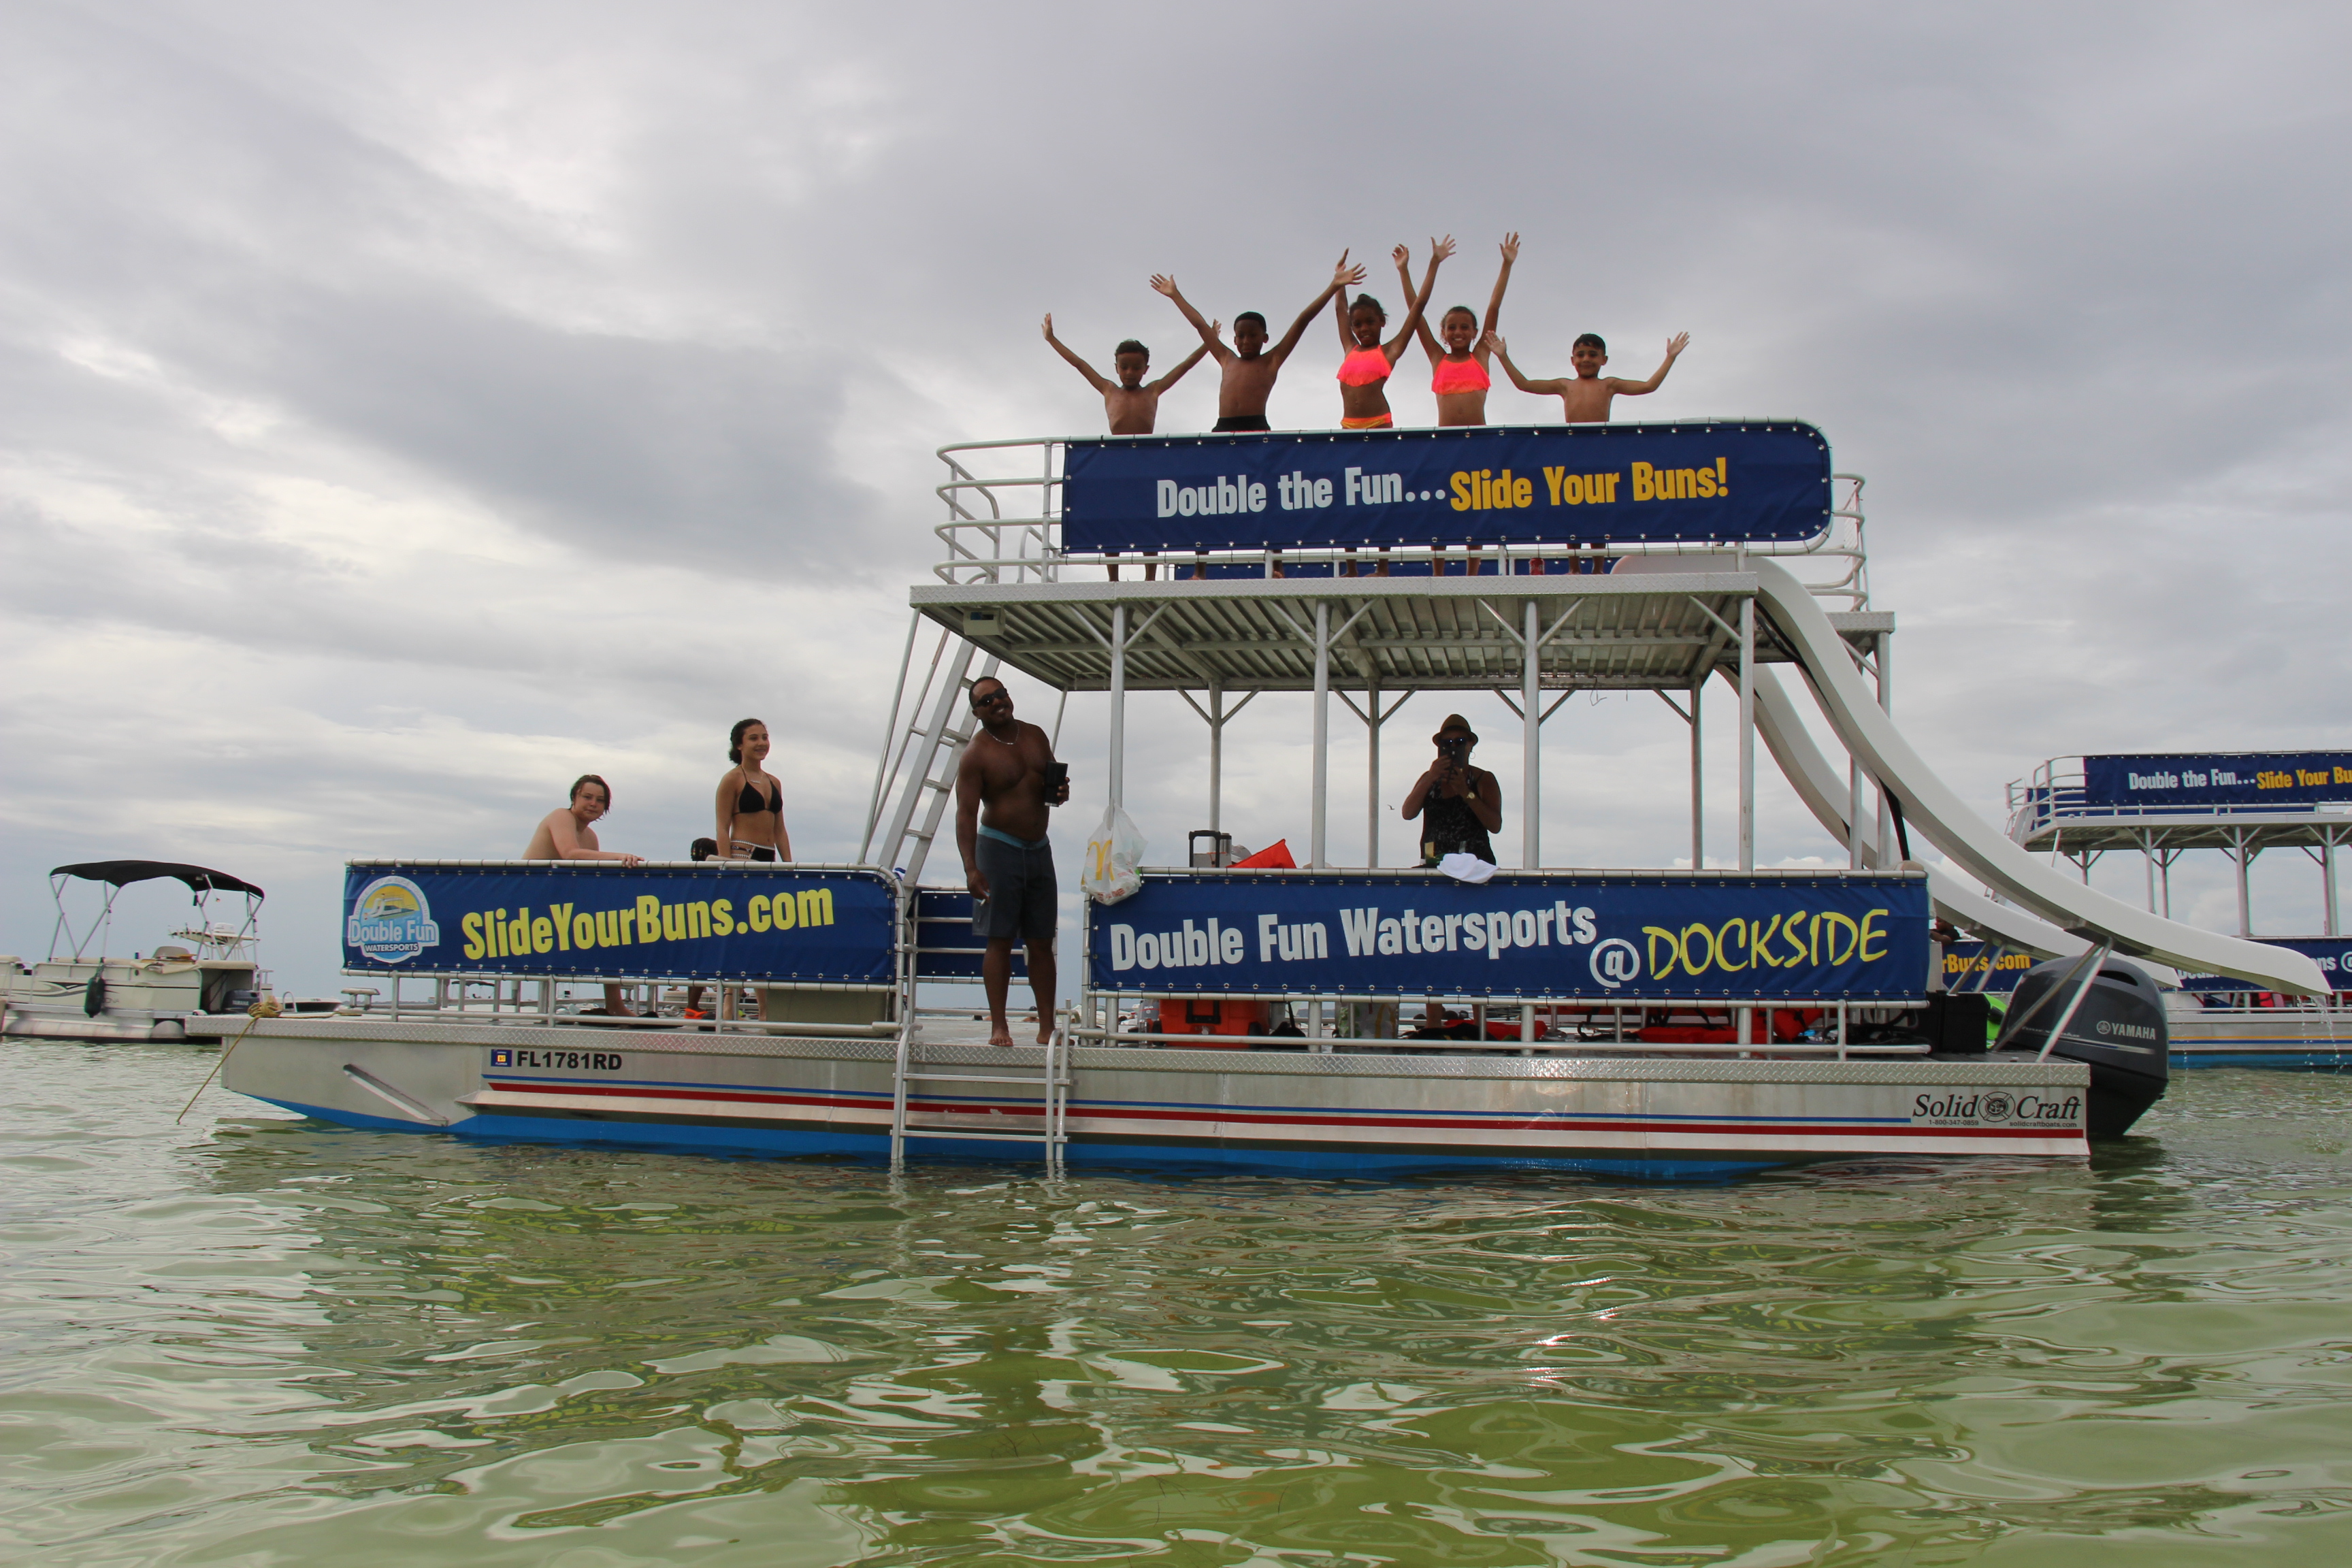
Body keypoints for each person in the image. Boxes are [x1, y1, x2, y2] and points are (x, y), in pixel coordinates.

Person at [1041, 316, 1215, 579]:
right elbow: (1079, 364)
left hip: (1147, 463)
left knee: (1148, 521)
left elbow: (1186, 366)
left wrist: (1209, 340)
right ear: (1116, 368)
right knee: (1112, 522)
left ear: (1146, 369)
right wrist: (1052, 339)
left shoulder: (1153, 390)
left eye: (1136, 367)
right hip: (1116, 464)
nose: (1130, 372)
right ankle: (1113, 577)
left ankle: (1150, 578)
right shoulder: (1109, 390)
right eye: (1125, 367)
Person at [953, 676, 1070, 1047]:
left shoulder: (1035, 735)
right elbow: (965, 814)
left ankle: (1047, 1027)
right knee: (999, 940)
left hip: (1039, 849)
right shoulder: (976, 753)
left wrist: (1062, 792)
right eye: (987, 701)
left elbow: (1052, 785)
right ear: (977, 713)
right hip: (998, 849)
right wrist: (971, 867)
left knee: (1041, 941)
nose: (997, 703)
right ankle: (999, 1027)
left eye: (1001, 695)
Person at [1150, 255, 1362, 432]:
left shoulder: (1272, 360)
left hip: (1256, 426)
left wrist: (1334, 286)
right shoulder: (1226, 358)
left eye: (1252, 335)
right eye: (1240, 336)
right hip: (1223, 427)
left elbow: (1303, 319)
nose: (1246, 341)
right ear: (1234, 340)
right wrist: (1175, 295)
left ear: (1265, 338)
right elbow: (1199, 325)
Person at [523, 774, 644, 1017]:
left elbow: (591, 880)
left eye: (600, 801)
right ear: (574, 798)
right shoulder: (561, 816)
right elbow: (569, 853)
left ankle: (615, 1004)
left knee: (613, 931)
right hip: (528, 904)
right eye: (587, 797)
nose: (593, 804)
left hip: (560, 904)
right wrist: (621, 856)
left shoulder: (590, 837)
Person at [1335, 238, 1448, 429]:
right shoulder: (1350, 348)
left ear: (1382, 321)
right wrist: (1339, 282)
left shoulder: (1390, 351)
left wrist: (1430, 264)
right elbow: (1340, 309)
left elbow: (1418, 305)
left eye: (1370, 322)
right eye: (1358, 325)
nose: (1364, 329)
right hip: (1348, 426)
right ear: (1352, 327)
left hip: (1379, 423)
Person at [1407, 233, 1517, 427]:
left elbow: (1494, 307)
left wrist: (1506, 265)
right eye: (1452, 328)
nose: (1458, 332)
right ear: (1444, 333)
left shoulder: (1481, 355)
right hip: (1446, 441)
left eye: (1465, 327)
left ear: (1476, 332)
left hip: (1477, 441)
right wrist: (1431, 265)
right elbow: (1415, 311)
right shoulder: (1437, 358)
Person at [1485, 329, 1689, 424]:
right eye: (1581, 355)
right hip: (1573, 440)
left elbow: (1648, 386)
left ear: (1604, 360)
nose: (1586, 360)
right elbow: (1524, 384)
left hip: (1601, 439)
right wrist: (1503, 356)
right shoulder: (1565, 386)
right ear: (1572, 360)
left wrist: (1670, 357)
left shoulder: (1610, 385)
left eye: (1593, 355)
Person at [1402, 716, 1502, 866]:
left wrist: (1466, 792)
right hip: (1434, 862)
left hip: (1473, 865)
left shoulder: (1483, 779)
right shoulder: (1429, 779)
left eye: (1460, 742)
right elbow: (1408, 813)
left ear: (1470, 745)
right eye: (1447, 743)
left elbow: (1495, 825)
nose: (1453, 747)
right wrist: (1431, 778)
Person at [715, 718, 791, 863]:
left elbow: (780, 830)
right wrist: (726, 865)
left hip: (769, 855)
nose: (761, 743)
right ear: (739, 744)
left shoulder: (774, 782)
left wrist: (789, 866)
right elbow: (722, 827)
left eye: (765, 738)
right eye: (753, 739)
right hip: (743, 855)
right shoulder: (732, 779)